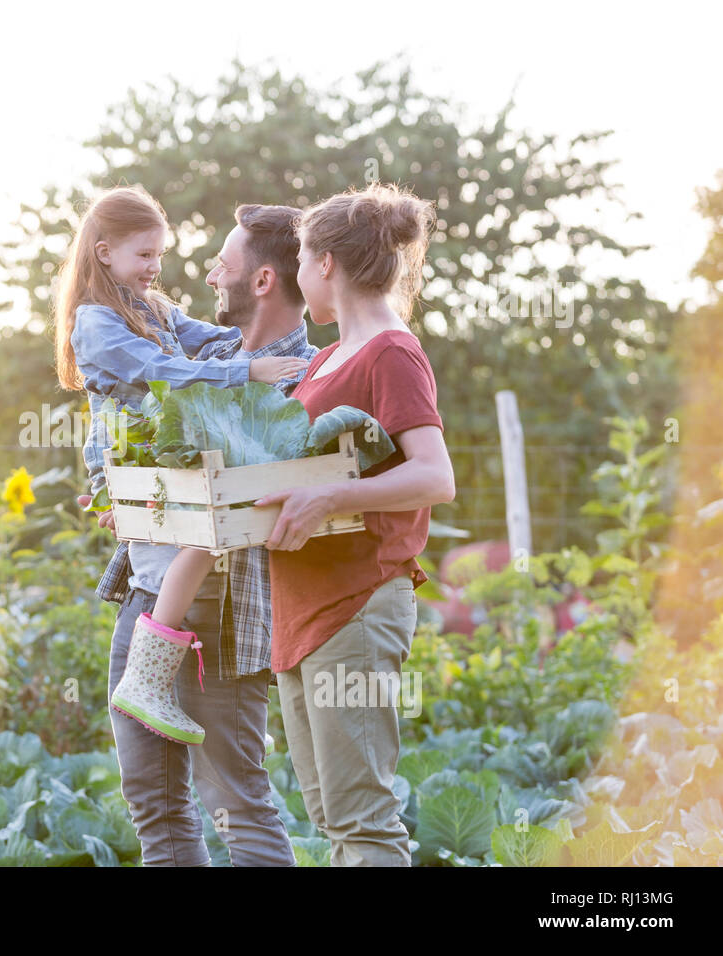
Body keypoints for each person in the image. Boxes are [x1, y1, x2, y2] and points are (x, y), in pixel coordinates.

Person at [62, 189, 315, 865]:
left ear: (261, 280)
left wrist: (253, 365)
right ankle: (148, 677)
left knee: (236, 799)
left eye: (217, 262)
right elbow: (163, 374)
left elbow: (206, 354)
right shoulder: (105, 321)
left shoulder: (278, 372)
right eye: (150, 254)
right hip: (149, 584)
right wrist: (243, 368)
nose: (191, 273)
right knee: (155, 800)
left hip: (214, 597)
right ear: (105, 251)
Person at [253, 182, 457, 866]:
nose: (298, 277)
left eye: (303, 261)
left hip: (357, 604)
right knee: (335, 819)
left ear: (327, 265)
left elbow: (435, 476)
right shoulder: (328, 358)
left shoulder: (390, 352)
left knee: (363, 826)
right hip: (304, 606)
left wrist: (331, 502)